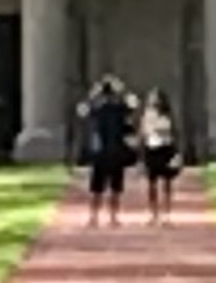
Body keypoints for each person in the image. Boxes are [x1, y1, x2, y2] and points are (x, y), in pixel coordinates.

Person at [77, 78, 135, 226]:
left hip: (101, 153)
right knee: (115, 188)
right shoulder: (120, 109)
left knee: (97, 188)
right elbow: (134, 104)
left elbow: (81, 110)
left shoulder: (97, 110)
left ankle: (94, 217)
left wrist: (91, 95)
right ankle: (113, 217)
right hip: (115, 152)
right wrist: (123, 90)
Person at [135, 89, 182, 220]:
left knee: (167, 182)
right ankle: (153, 213)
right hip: (152, 149)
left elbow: (173, 132)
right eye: (151, 98)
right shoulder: (147, 114)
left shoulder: (168, 115)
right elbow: (143, 133)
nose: (153, 101)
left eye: (156, 98)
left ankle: (167, 212)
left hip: (166, 149)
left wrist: (176, 152)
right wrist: (140, 154)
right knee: (152, 183)